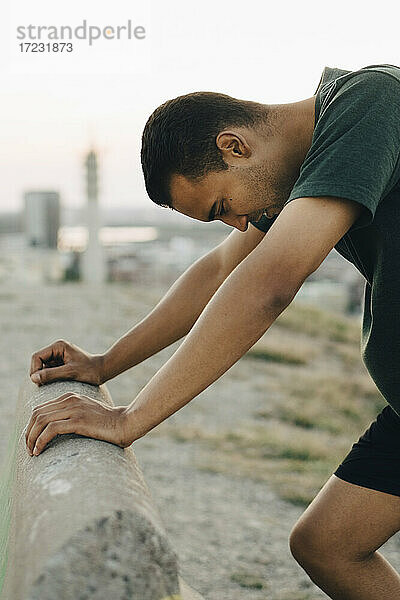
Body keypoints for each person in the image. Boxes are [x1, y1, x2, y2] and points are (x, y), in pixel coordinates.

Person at [25, 63, 400, 599]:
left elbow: (268, 284)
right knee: (326, 544)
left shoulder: (373, 102)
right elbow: (220, 269)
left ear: (234, 146)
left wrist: (129, 420)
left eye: (221, 207)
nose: (240, 225)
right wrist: (107, 364)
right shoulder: (293, 178)